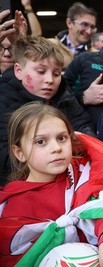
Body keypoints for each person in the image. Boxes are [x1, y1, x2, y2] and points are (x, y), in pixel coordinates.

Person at [0, 102, 103, 266]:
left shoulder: (83, 173)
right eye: (41, 142)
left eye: (62, 138)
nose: (56, 148)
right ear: (19, 153)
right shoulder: (10, 206)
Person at [0, 36, 95, 185]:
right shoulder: (3, 101)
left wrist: (83, 140)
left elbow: (84, 124)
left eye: (56, 73)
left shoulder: (64, 94)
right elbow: (5, 159)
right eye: (41, 71)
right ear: (18, 70)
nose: (50, 80)